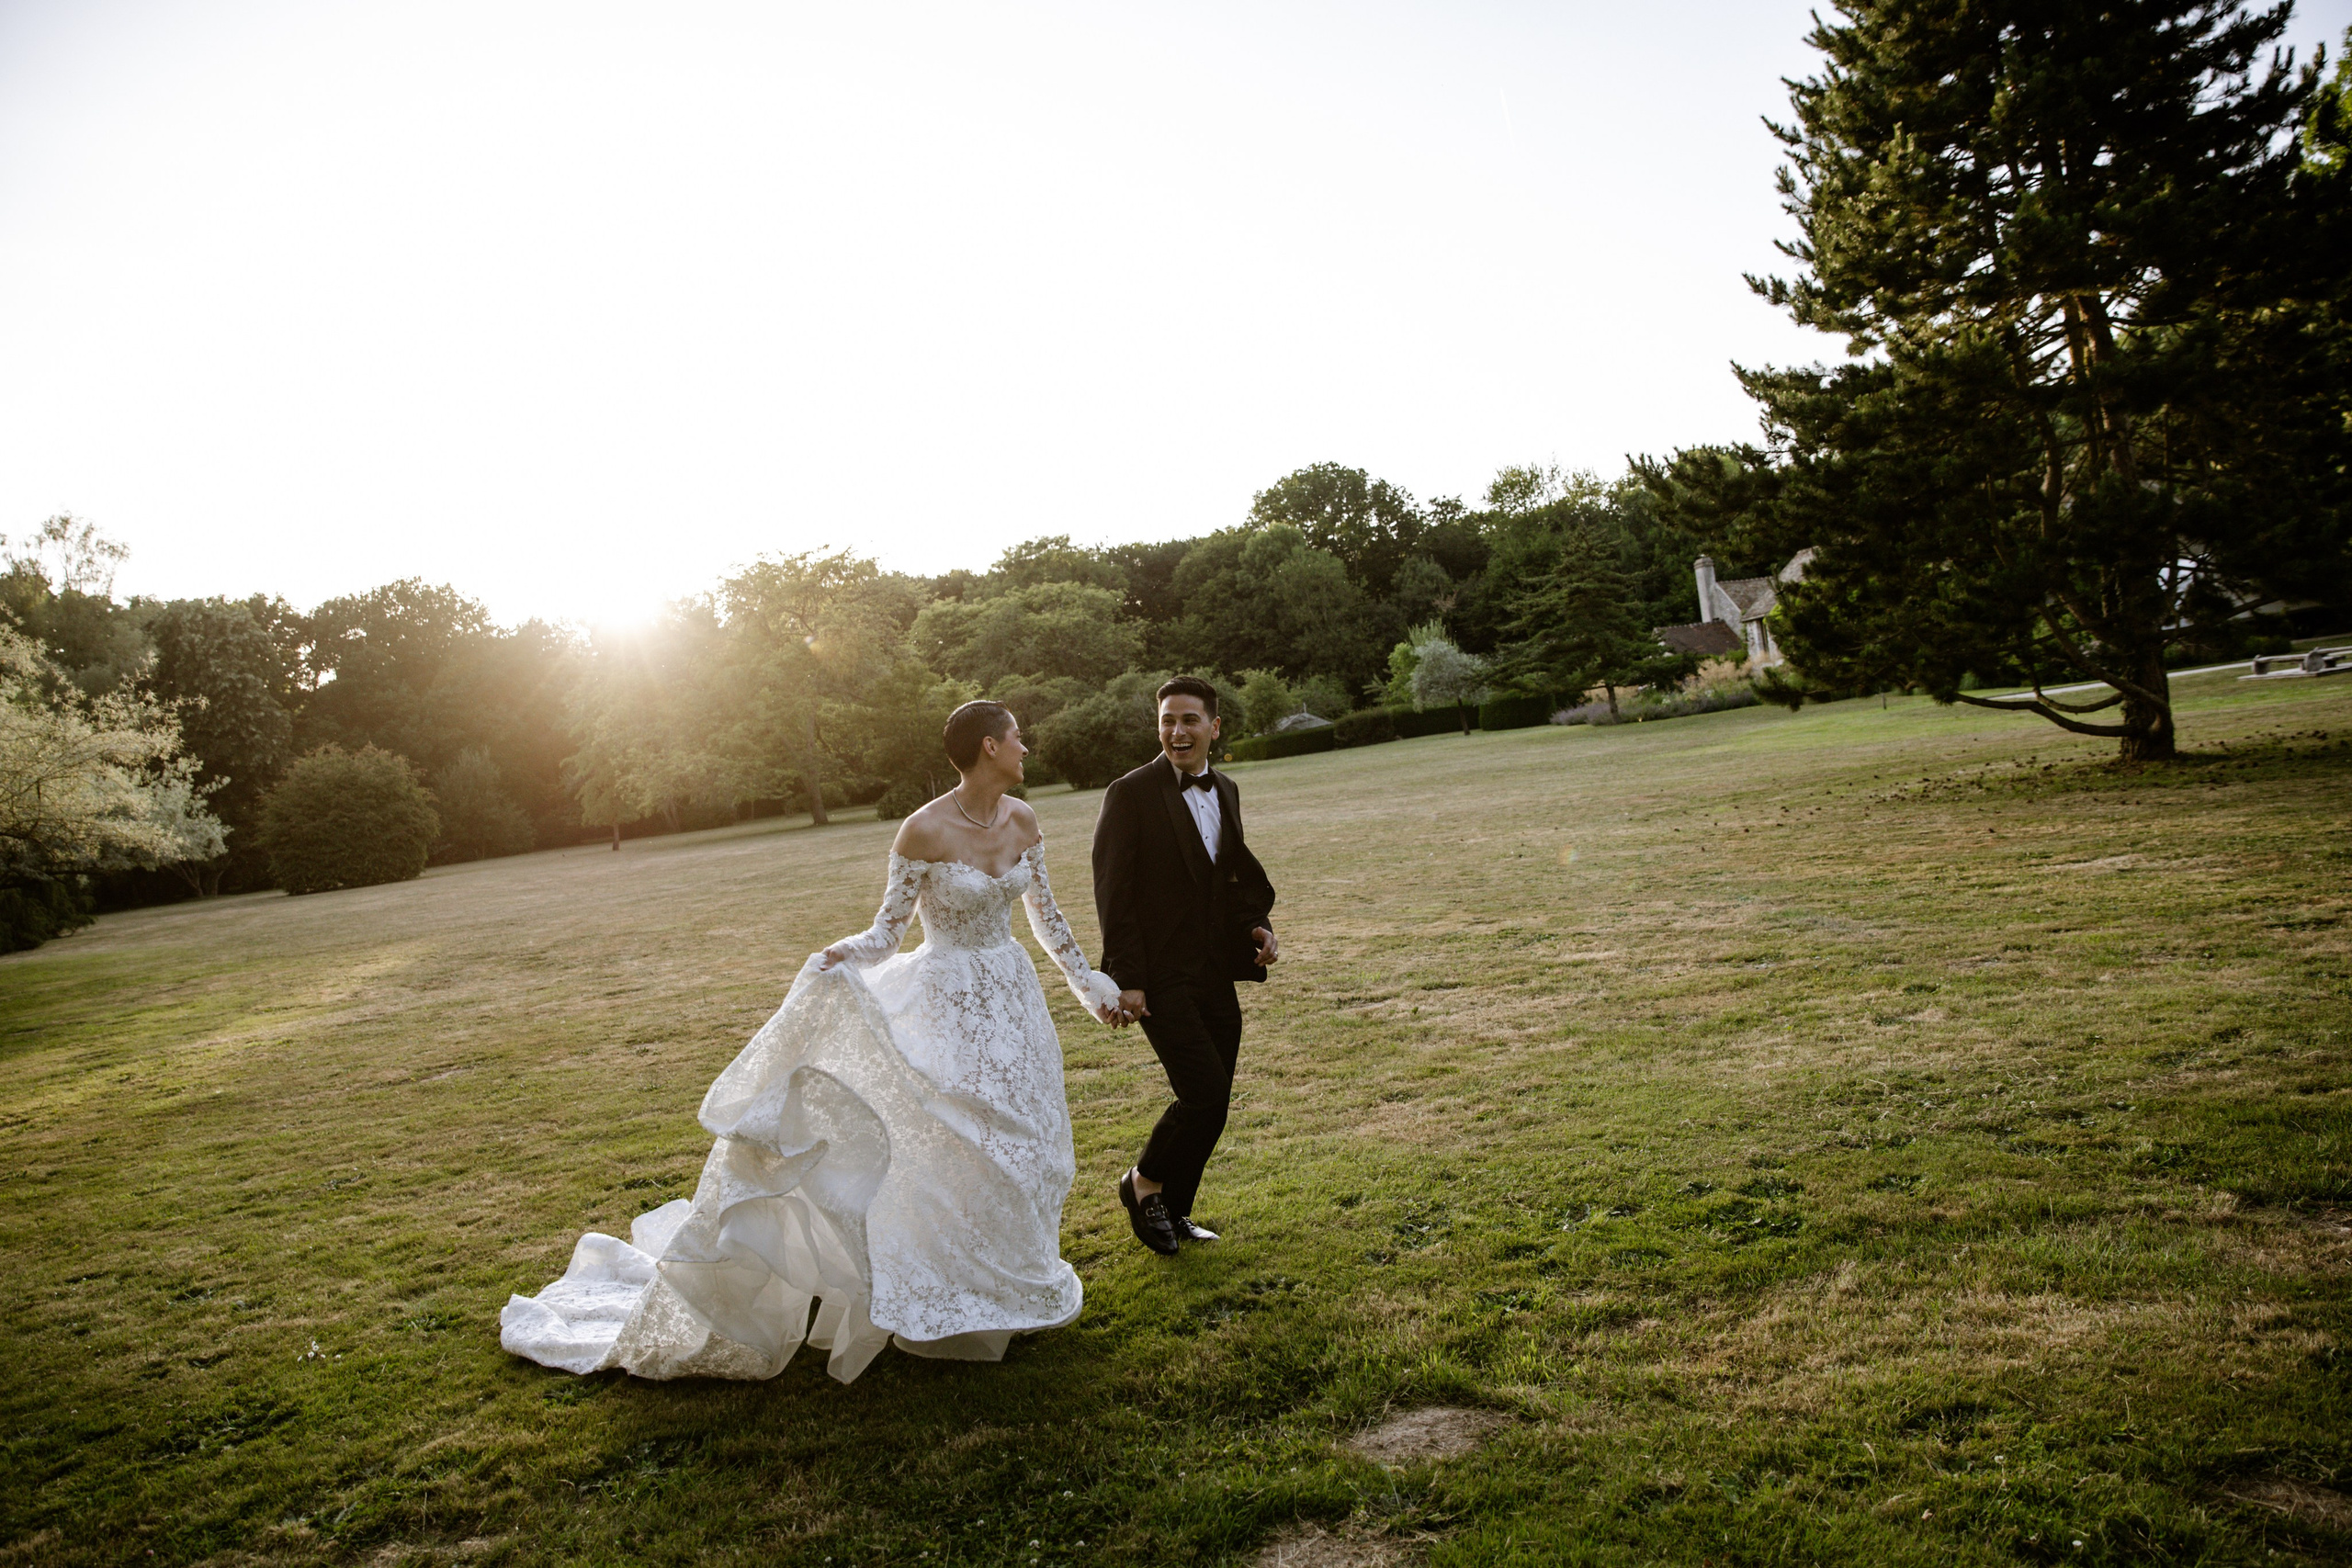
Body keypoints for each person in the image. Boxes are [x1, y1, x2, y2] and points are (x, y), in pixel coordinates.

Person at [500, 701, 1124, 1383]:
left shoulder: (1024, 819)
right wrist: (838, 956)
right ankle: (954, 1290)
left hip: (1010, 1000)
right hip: (942, 1002)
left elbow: (1050, 919)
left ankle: (1008, 1284)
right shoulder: (922, 830)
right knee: (959, 1141)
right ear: (988, 747)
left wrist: (1093, 986)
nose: (1025, 748)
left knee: (1026, 1145)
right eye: (1016, 738)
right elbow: (887, 933)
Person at [1091, 675, 1278, 1256]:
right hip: (1159, 975)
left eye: (1190, 720)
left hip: (1214, 971)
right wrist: (1130, 980)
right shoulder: (1130, 793)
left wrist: (1257, 926)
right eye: (1168, 720)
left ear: (1214, 727)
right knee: (1201, 1091)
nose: (1177, 731)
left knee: (1216, 1097)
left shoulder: (1225, 789)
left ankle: (1176, 1208)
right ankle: (1143, 1182)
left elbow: (1229, 876)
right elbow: (1113, 893)